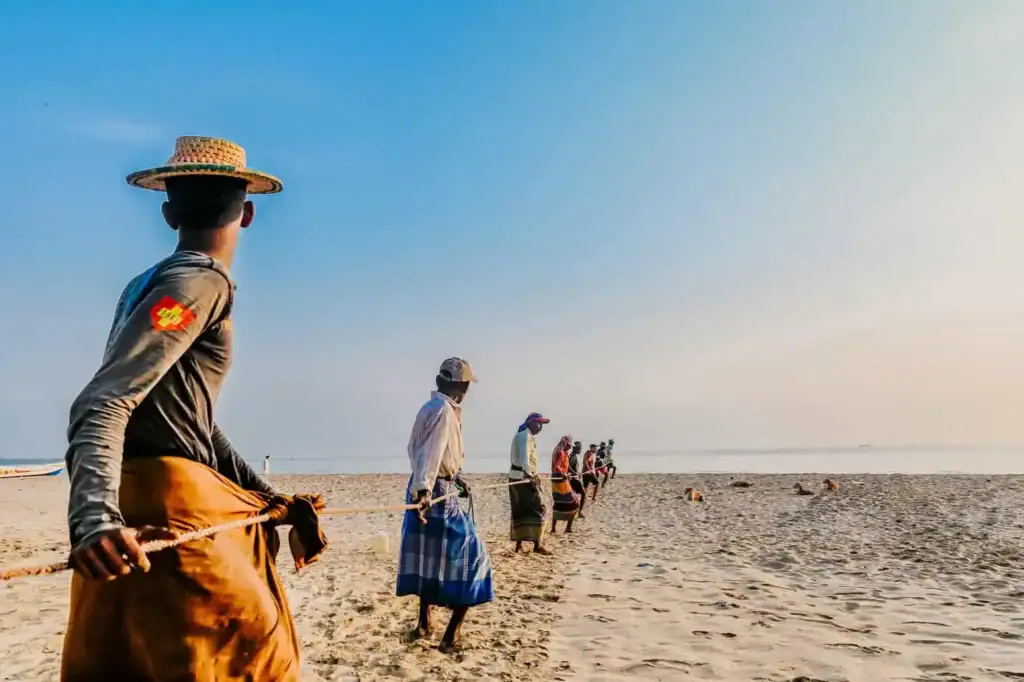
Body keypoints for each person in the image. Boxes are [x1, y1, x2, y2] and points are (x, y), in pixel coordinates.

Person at [61, 137, 327, 682]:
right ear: (247, 214)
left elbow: (191, 419)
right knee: (257, 656)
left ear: (168, 214)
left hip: (134, 510)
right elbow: (105, 399)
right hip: (167, 515)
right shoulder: (198, 282)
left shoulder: (146, 284)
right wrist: (94, 520)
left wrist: (267, 497)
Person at [397, 357, 493, 654]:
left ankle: (424, 623)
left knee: (428, 557)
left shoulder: (429, 407)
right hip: (434, 492)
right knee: (474, 558)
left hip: (428, 485)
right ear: (462, 387)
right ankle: (451, 636)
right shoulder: (444, 412)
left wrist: (455, 476)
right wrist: (425, 490)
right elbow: (431, 451)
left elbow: (415, 449)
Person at [509, 412, 553, 554]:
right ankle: (537, 545)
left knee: (521, 510)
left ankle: (519, 545)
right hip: (522, 478)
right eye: (539, 423)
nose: (541, 427)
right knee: (539, 509)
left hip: (517, 476)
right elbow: (525, 460)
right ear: (531, 423)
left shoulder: (523, 436)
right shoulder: (525, 436)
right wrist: (531, 476)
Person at [549, 435, 580, 534]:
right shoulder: (561, 452)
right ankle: (568, 528)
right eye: (570, 445)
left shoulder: (560, 451)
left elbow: (563, 467)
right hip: (560, 479)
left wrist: (571, 473)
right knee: (574, 502)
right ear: (566, 444)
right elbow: (557, 466)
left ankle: (553, 528)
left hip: (557, 478)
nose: (570, 447)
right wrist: (564, 474)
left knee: (558, 503)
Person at [568, 440, 588, 517]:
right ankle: (580, 512)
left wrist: (577, 472)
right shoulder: (573, 456)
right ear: (577, 448)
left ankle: (575, 511)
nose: (581, 450)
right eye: (580, 448)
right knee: (583, 494)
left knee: (573, 495)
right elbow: (569, 467)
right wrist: (575, 473)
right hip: (573, 479)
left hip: (573, 478)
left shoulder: (572, 455)